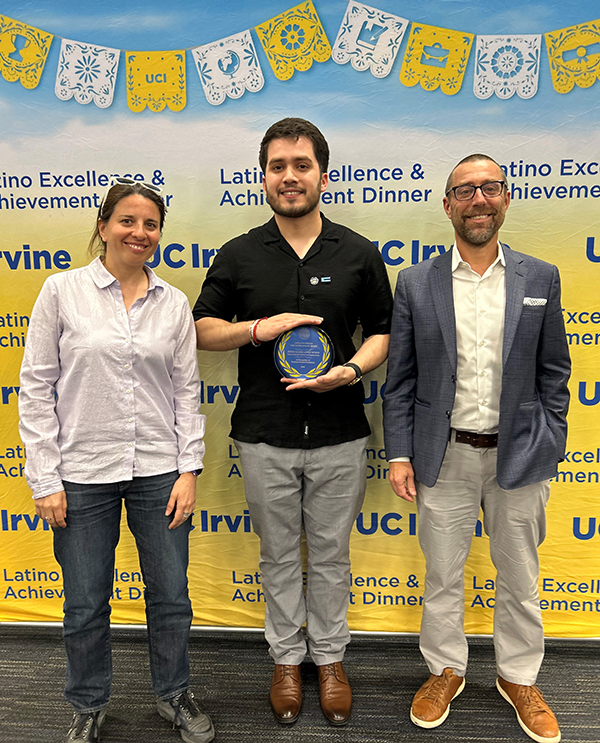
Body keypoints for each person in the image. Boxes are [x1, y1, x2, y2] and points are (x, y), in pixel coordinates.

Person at [193, 118, 392, 726]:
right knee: (279, 556)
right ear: (263, 178)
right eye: (277, 166)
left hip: (339, 434)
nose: (289, 177)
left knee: (331, 556)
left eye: (301, 165)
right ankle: (286, 658)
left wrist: (351, 372)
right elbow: (201, 329)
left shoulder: (358, 253)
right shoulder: (239, 254)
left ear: (322, 176)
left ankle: (329, 660)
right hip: (263, 434)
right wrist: (257, 329)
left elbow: (383, 333)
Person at [18, 180, 214, 743]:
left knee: (171, 595)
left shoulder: (173, 303)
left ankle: (174, 693)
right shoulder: (61, 292)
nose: (140, 233)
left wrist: (188, 470)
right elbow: (36, 389)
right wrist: (45, 478)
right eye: (128, 221)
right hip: (81, 475)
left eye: (151, 224)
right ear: (103, 226)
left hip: (158, 471)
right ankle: (87, 702)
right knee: (84, 600)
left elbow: (185, 393)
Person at [383, 154, 570, 742]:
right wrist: (399, 452)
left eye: (490, 188)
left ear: (507, 198)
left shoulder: (540, 277)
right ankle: (445, 668)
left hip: (520, 455)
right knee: (442, 575)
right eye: (465, 191)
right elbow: (402, 378)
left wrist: (551, 437)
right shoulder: (416, 281)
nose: (479, 199)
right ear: (448, 205)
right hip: (445, 456)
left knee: (520, 576)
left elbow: (555, 372)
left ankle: (518, 677)